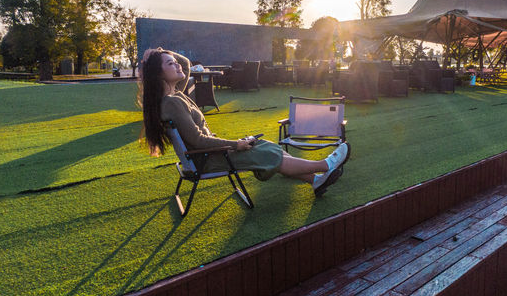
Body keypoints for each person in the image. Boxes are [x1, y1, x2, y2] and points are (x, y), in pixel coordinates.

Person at [139, 48, 350, 197]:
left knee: (267, 146)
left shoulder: (176, 95)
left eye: (173, 61)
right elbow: (198, 139)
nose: (177, 64)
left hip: (210, 154)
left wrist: (160, 55)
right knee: (266, 152)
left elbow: (185, 64)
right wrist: (235, 144)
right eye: (169, 63)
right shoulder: (173, 102)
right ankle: (326, 165)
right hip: (209, 158)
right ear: (159, 74)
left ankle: (315, 180)